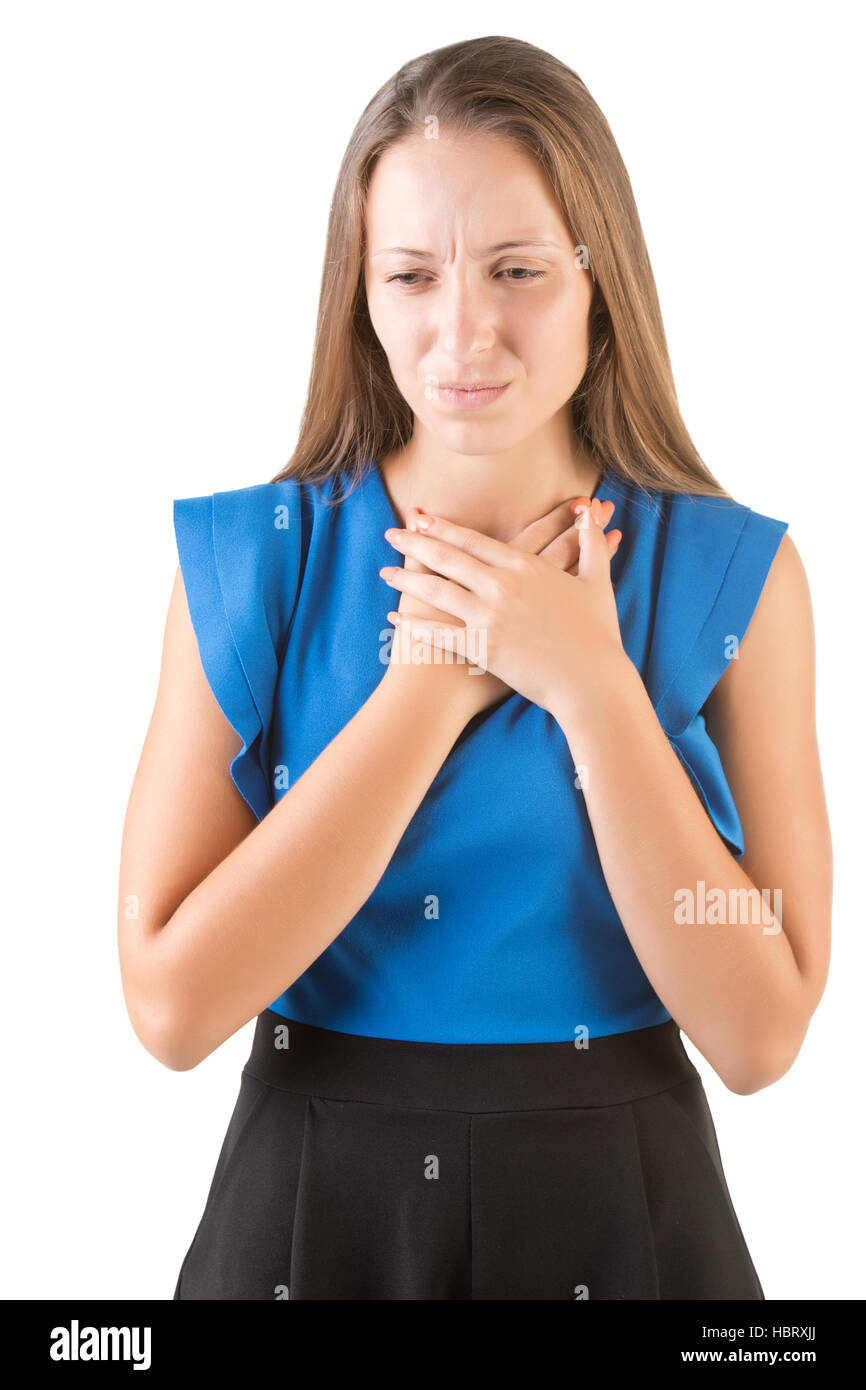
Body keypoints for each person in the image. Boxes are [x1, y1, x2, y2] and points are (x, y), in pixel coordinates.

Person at [117, 35, 832, 1300]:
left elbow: (758, 1032)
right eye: (409, 275)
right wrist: (433, 685)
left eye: (516, 270)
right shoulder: (252, 560)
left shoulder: (737, 580)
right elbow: (170, 1009)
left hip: (628, 1212)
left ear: (594, 277)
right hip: (310, 1207)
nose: (464, 331)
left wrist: (591, 687)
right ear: (360, 293)